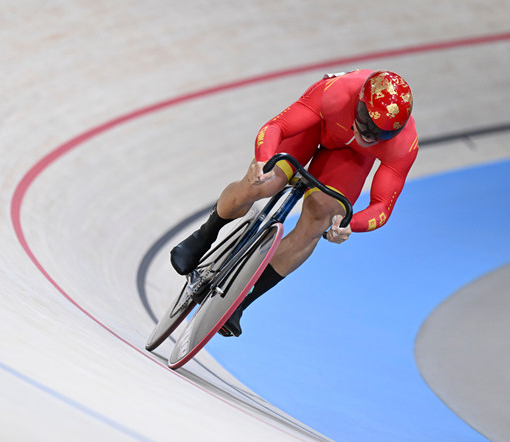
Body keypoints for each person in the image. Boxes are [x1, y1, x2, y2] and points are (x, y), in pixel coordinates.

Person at [170, 69, 419, 337]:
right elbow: (276, 127)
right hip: (316, 125)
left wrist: (350, 224)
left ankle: (240, 302)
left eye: (380, 134)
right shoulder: (336, 93)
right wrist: (263, 159)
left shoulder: (404, 145)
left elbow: (382, 206)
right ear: (358, 103)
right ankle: (204, 235)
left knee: (321, 217)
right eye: (366, 123)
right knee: (263, 183)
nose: (369, 135)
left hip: (352, 157)